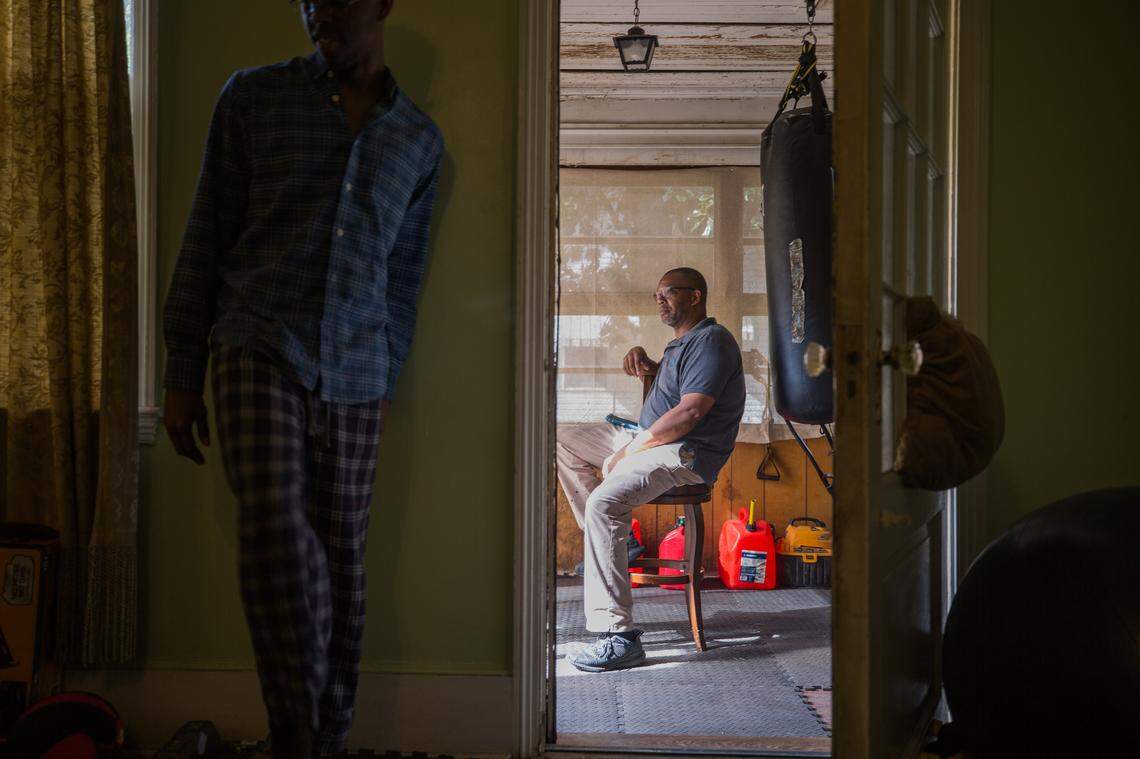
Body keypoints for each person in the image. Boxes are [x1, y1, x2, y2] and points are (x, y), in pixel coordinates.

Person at [160, 1, 443, 756]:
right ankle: (295, 736)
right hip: (257, 340)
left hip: (358, 368)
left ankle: (326, 738)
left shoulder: (418, 141)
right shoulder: (252, 97)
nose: (318, 8)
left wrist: (387, 379)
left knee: (343, 562)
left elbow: (403, 281)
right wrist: (183, 367)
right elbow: (206, 232)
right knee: (278, 529)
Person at [556, 267, 745, 672]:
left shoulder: (713, 340)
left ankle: (618, 637)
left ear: (695, 296)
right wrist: (649, 363)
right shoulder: (684, 344)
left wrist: (629, 451)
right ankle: (621, 543)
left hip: (683, 453)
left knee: (604, 504)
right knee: (561, 437)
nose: (659, 300)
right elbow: (679, 387)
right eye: (656, 294)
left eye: (667, 293)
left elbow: (690, 412)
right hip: (647, 440)